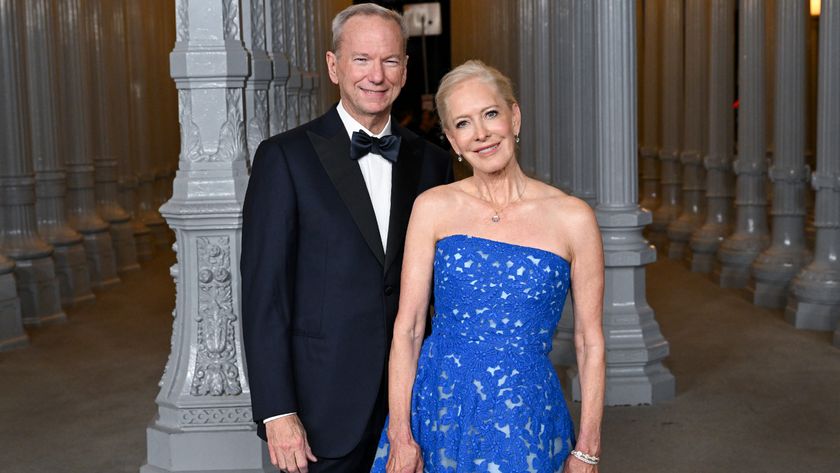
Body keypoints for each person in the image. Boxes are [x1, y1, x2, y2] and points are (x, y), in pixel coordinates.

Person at [240, 4, 452, 473]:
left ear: (405, 70)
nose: (376, 75)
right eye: (361, 59)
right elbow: (264, 296)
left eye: (390, 61)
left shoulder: (433, 163)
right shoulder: (284, 158)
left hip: (413, 401)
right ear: (334, 66)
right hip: (322, 406)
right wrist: (277, 411)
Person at [371, 60, 606, 472]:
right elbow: (408, 330)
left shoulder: (573, 218)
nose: (480, 133)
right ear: (452, 140)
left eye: (490, 114)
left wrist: (587, 448)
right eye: (463, 123)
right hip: (439, 411)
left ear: (514, 117)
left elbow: (589, 342)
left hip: (525, 415)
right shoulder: (433, 208)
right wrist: (401, 436)